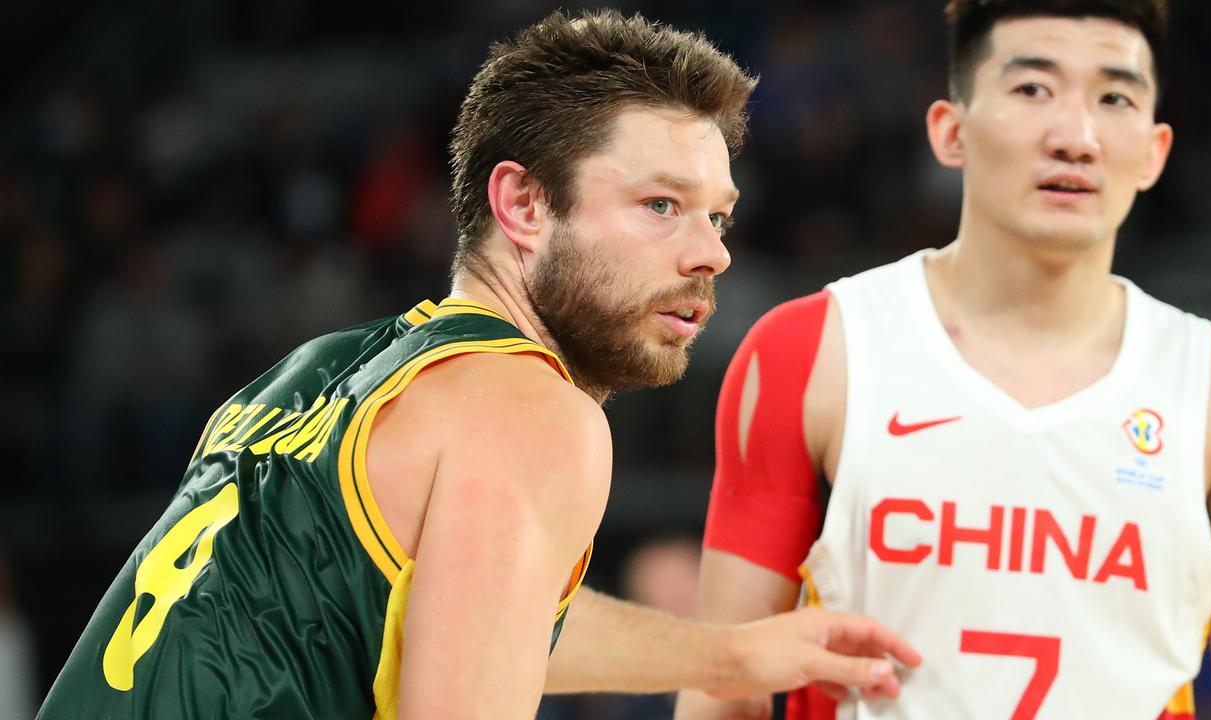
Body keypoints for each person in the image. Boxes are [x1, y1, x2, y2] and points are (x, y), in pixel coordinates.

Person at [38, 10, 922, 720]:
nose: (712, 255)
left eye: (718, 217)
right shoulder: (532, 413)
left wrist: (724, 656)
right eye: (662, 204)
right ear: (524, 203)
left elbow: (466, 626)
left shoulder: (313, 373)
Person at [677, 1, 1211, 719]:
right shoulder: (817, 350)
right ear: (950, 131)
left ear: (1153, 152)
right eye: (1033, 89)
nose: (1076, 136)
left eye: (1115, 97)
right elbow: (723, 689)